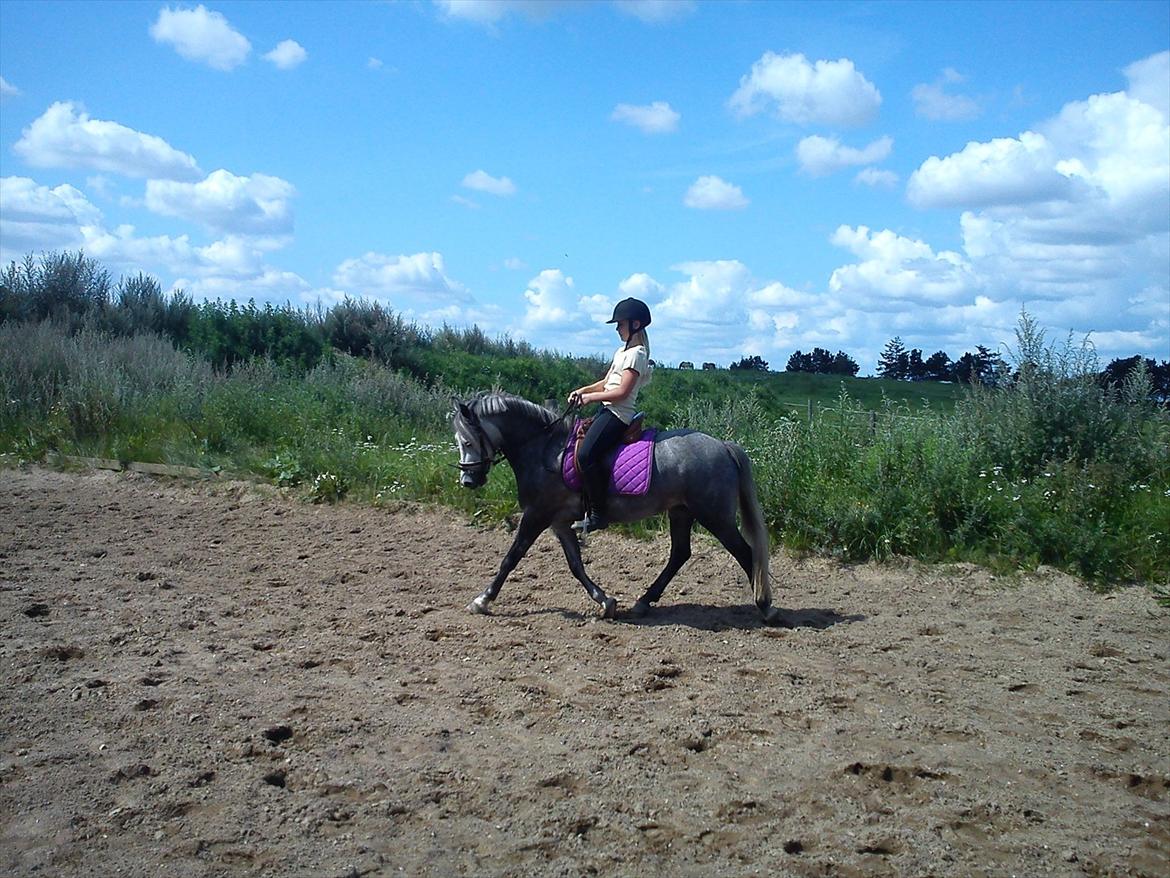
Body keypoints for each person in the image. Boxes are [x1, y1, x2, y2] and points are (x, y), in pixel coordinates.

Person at [566, 297, 653, 533]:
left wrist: (590, 398)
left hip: (618, 414)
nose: (617, 328)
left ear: (635, 324)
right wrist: (583, 390)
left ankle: (598, 514)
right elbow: (607, 382)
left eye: (620, 324)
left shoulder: (638, 354)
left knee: (586, 455)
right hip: (606, 409)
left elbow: (622, 392)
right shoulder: (622, 352)